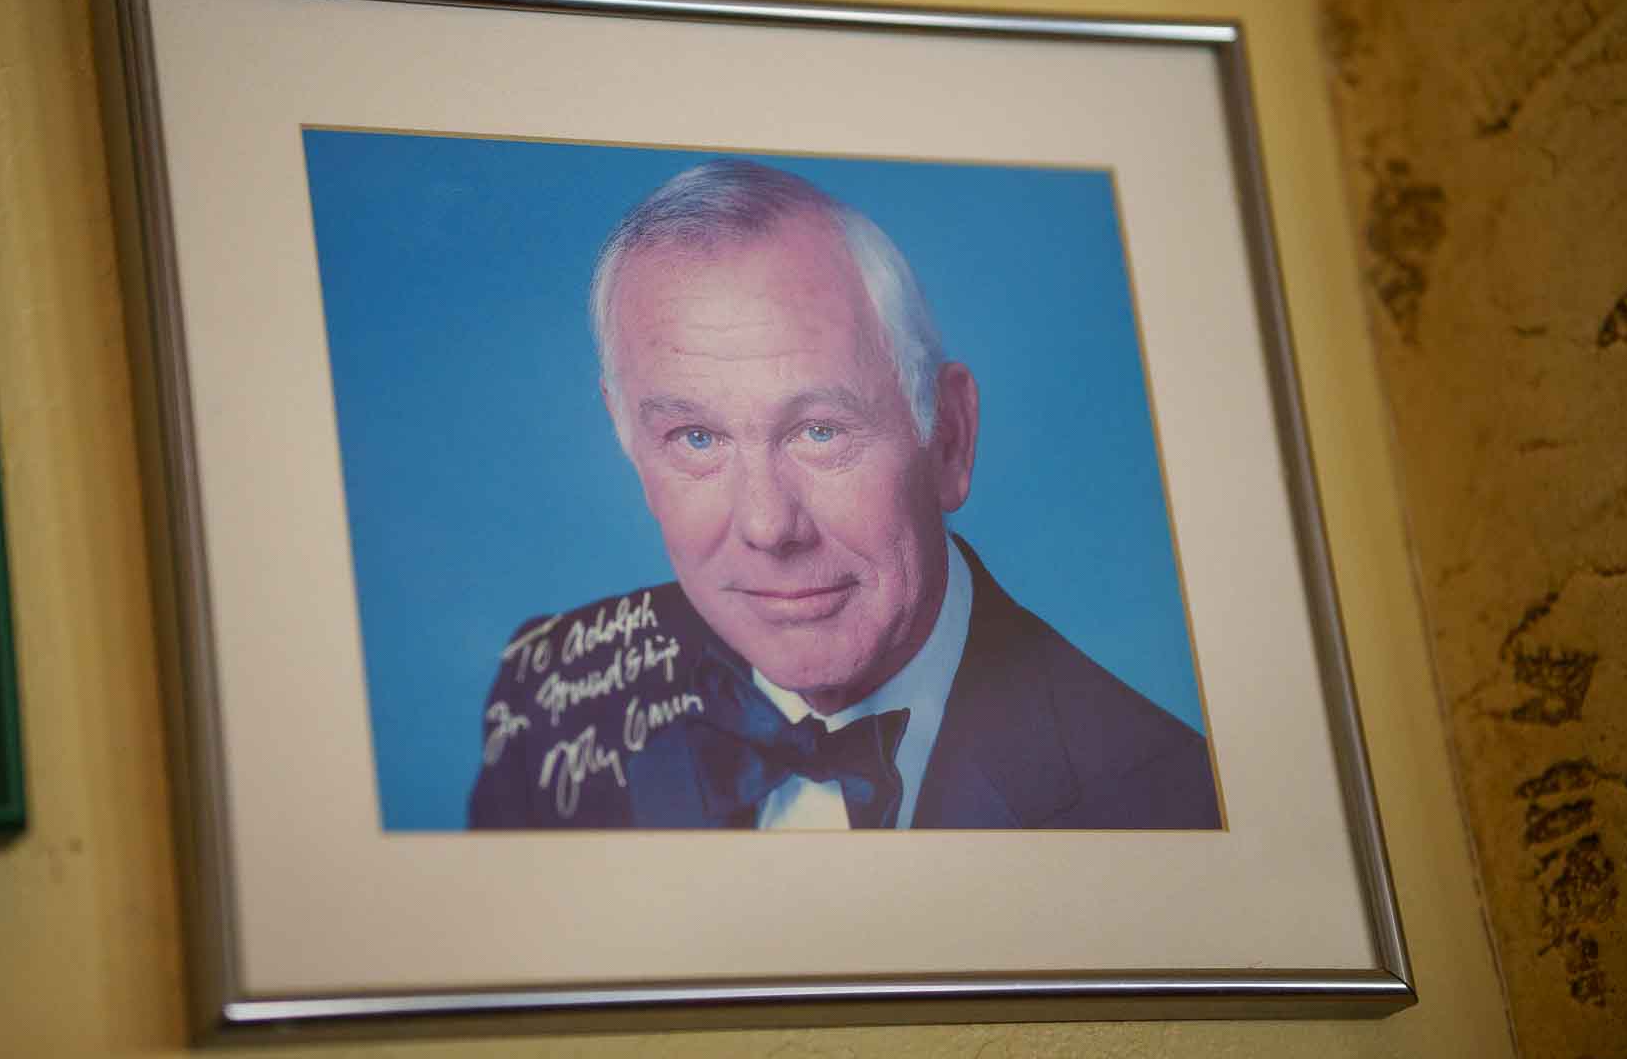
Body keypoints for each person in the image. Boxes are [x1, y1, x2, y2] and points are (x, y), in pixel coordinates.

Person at [468, 159, 1221, 830]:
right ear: (627, 438)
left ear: (950, 437)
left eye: (820, 431)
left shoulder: (1168, 802)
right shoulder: (554, 699)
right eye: (696, 438)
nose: (769, 526)